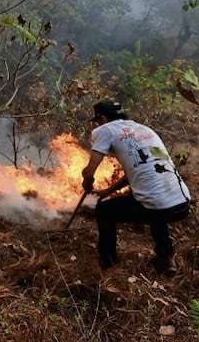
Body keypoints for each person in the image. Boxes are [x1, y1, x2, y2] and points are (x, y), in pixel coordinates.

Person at [80, 100, 191, 274]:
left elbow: (89, 170)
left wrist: (87, 181)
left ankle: (108, 263)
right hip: (182, 202)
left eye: (98, 121)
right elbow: (135, 173)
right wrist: (107, 191)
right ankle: (166, 257)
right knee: (154, 199)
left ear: (102, 118)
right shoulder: (144, 130)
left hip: (157, 205)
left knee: (104, 211)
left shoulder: (105, 130)